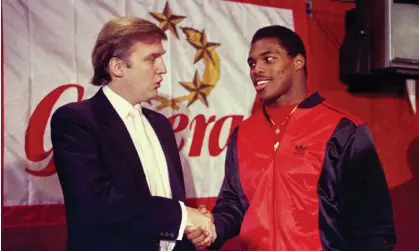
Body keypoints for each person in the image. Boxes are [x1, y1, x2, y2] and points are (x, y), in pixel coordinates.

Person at [187, 25, 396, 250]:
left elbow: (373, 226)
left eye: (268, 59)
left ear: (298, 62)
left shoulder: (343, 129)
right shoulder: (243, 133)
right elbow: (233, 204)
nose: (256, 69)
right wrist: (212, 228)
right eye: (252, 63)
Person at [50, 17, 215, 250]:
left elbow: (167, 204)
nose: (163, 68)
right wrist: (182, 217)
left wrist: (190, 227)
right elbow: (95, 204)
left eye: (161, 56)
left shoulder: (161, 124)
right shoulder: (76, 120)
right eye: (151, 58)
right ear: (117, 67)